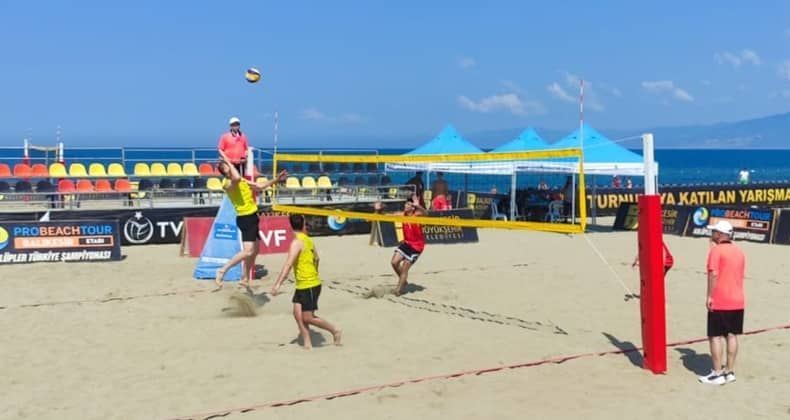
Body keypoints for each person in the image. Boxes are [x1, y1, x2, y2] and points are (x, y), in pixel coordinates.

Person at [214, 158, 287, 290]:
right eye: (226, 167)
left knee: (256, 250)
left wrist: (276, 180)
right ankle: (222, 270)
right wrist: (228, 161)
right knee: (248, 252)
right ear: (225, 171)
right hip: (245, 218)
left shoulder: (241, 180)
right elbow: (236, 178)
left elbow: (259, 187)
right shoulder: (227, 183)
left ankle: (245, 278)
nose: (230, 167)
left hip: (253, 216)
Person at [271, 214, 342, 349]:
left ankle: (335, 330)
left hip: (309, 285)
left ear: (290, 226)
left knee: (308, 317)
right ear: (303, 225)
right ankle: (307, 344)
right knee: (297, 315)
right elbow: (317, 259)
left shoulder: (296, 243)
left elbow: (288, 265)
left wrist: (278, 284)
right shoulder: (308, 240)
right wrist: (315, 271)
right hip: (304, 284)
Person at [698, 220, 745, 385]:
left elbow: (713, 274)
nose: (712, 234)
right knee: (732, 335)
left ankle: (717, 373)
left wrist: (709, 296)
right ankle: (729, 371)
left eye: (714, 232)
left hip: (721, 299)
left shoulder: (716, 251)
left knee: (715, 336)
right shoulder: (738, 251)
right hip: (737, 299)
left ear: (719, 234)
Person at [374, 194, 427, 296]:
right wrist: (379, 210)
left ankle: (398, 290)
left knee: (405, 268)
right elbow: (386, 216)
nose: (405, 206)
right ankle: (404, 281)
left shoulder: (417, 215)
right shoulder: (402, 215)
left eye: (408, 204)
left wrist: (418, 206)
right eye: (405, 204)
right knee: (394, 262)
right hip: (407, 243)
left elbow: (426, 213)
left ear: (413, 208)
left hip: (417, 247)